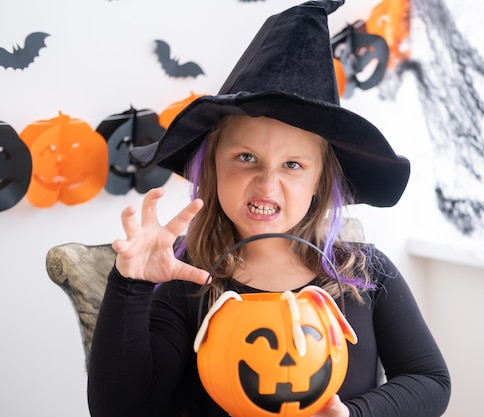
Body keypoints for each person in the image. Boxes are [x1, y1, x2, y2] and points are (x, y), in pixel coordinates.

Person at [87, 1, 451, 417]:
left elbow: (429, 380)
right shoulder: (185, 276)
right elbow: (120, 410)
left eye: (293, 165)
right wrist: (130, 284)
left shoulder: (366, 274)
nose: (266, 183)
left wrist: (357, 414)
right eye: (246, 158)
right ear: (212, 168)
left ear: (319, 181)